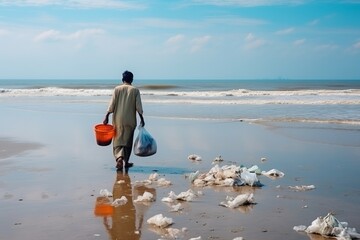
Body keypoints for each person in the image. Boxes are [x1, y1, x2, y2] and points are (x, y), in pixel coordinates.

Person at [103, 70, 145, 171]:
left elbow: (112, 105)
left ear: (122, 79)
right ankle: (125, 161)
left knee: (117, 140)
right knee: (127, 141)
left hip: (118, 119)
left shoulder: (117, 89)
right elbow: (138, 107)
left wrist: (106, 116)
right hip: (130, 120)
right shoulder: (135, 90)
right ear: (132, 80)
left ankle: (119, 158)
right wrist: (142, 119)